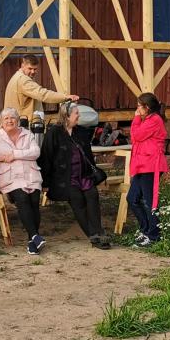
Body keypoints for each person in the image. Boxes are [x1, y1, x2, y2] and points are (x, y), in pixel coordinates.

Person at [40, 100, 111, 249]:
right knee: (77, 199)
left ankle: (99, 231)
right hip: (64, 178)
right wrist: (45, 183)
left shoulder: (81, 132)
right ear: (67, 115)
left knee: (92, 195)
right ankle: (94, 236)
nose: (79, 116)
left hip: (83, 175)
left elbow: (88, 155)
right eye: (76, 113)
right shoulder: (54, 132)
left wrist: (94, 173)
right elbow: (46, 158)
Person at [0, 107, 45, 253]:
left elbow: (36, 152)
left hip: (30, 175)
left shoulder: (27, 134)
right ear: (1, 121)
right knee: (22, 198)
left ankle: (32, 242)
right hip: (10, 178)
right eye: (6, 118)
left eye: (12, 118)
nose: (9, 120)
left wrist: (14, 154)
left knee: (34, 201)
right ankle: (35, 235)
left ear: (17, 120)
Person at [127, 92, 167, 248]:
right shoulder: (148, 120)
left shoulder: (155, 120)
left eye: (139, 105)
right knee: (132, 198)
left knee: (150, 201)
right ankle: (145, 230)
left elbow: (136, 135)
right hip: (142, 165)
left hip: (151, 165)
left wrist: (136, 118)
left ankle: (154, 235)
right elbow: (136, 137)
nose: (137, 109)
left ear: (147, 107)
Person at [3, 56, 79, 129]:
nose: (32, 72)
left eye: (35, 69)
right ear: (23, 66)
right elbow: (43, 94)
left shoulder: (17, 77)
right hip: (21, 125)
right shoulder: (23, 80)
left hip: (15, 123)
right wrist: (65, 97)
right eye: (30, 68)